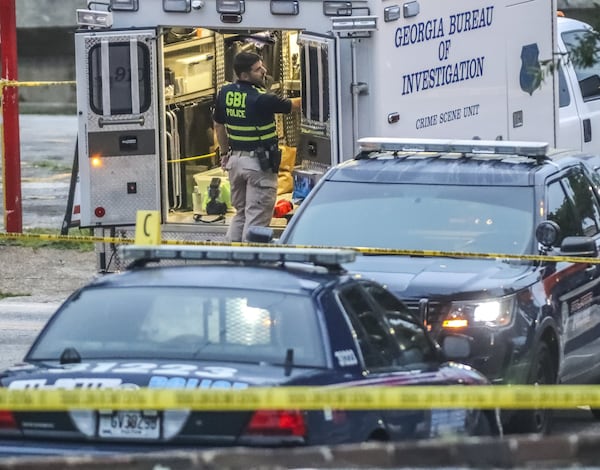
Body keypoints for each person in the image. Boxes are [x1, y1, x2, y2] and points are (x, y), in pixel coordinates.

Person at [213, 51, 301, 242]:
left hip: (235, 162)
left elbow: (219, 126)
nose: (264, 71)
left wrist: (224, 152)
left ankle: (231, 260)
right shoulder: (261, 98)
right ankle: (250, 265)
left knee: (241, 214)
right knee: (257, 219)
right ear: (244, 75)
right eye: (258, 69)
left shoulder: (225, 93)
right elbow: (293, 105)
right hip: (258, 166)